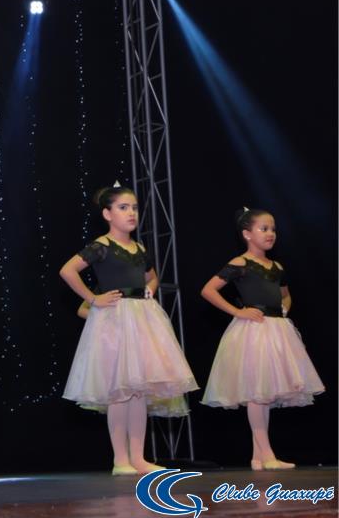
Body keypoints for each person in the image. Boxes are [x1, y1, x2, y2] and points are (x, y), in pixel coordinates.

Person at [59, 182, 198, 475]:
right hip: (115, 320)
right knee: (119, 392)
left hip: (143, 320)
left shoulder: (140, 248)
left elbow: (152, 277)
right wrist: (93, 298)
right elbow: (67, 270)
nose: (131, 213)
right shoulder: (101, 246)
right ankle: (120, 460)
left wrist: (150, 289)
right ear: (107, 214)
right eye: (123, 208)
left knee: (139, 393)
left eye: (134, 207)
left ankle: (138, 457)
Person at [200, 207, 324, 470]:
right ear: (247, 234)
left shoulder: (277, 267)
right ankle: (267, 454)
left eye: (273, 229)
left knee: (264, 394)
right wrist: (238, 311)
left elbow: (285, 295)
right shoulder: (240, 263)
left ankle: (258, 457)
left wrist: (284, 309)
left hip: (277, 331)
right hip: (253, 332)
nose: (270, 233)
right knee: (257, 393)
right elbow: (208, 290)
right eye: (264, 229)